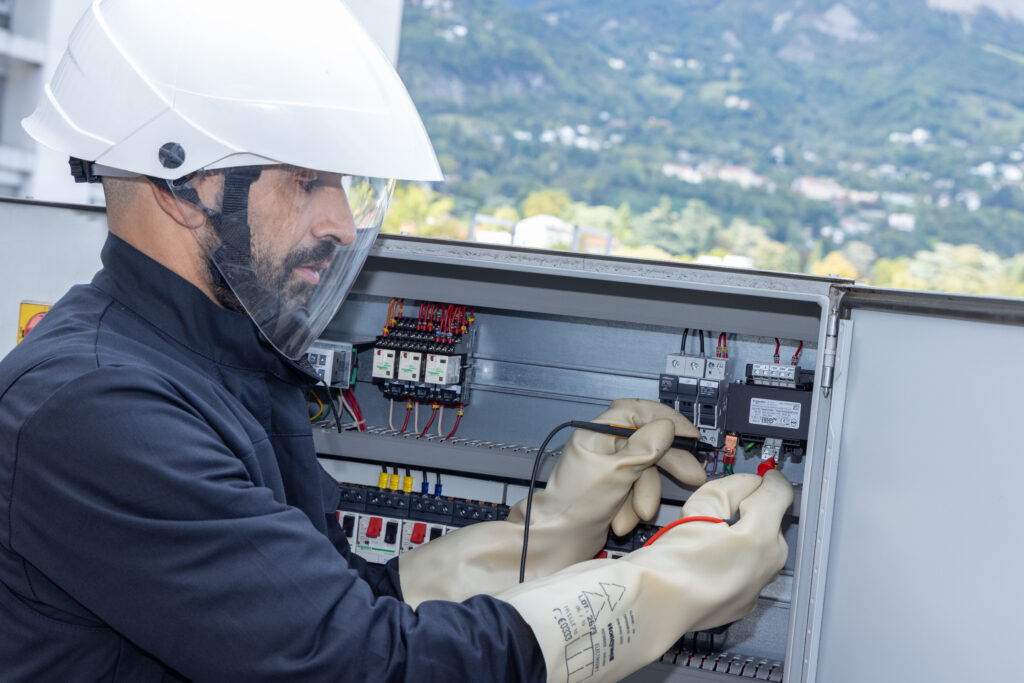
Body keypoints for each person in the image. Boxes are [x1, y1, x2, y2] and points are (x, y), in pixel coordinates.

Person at [0, 1, 792, 681]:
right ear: (184, 186)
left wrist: (552, 529)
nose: (341, 223)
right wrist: (664, 585)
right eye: (309, 179)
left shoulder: (219, 366)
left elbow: (335, 608)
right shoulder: (97, 408)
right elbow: (360, 665)